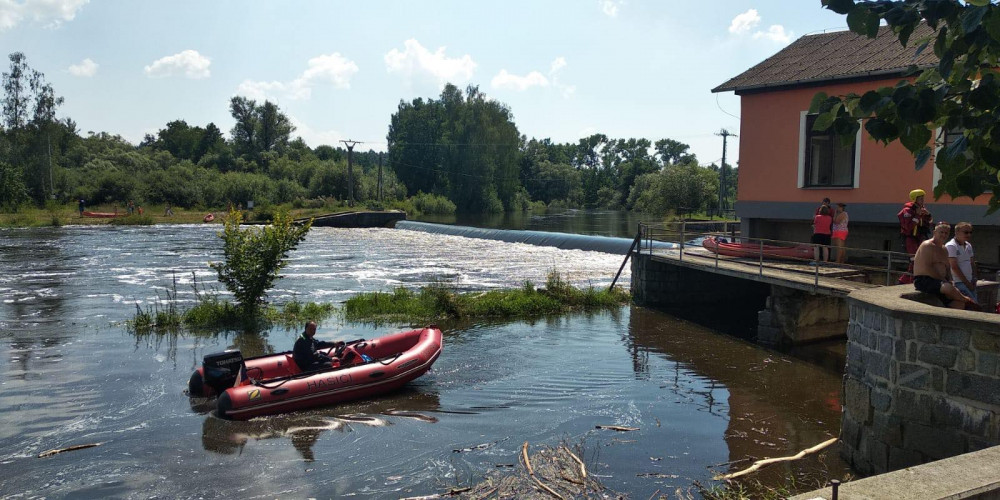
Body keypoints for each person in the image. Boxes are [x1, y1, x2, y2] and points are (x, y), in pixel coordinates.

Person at [912, 222, 978, 310]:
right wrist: (943, 280)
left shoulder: (944, 249)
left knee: (959, 304)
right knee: (948, 288)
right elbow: (927, 267)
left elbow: (948, 268)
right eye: (941, 232)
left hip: (941, 282)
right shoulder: (927, 245)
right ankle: (967, 300)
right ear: (934, 232)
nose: (944, 235)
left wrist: (950, 280)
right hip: (925, 280)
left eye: (946, 233)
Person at [897, 189, 933, 284]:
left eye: (923, 198)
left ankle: (905, 281)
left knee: (920, 260)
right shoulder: (907, 211)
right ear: (914, 199)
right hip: (910, 239)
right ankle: (908, 281)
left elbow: (929, 222)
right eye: (920, 199)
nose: (923, 200)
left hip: (920, 237)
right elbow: (908, 227)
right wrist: (917, 215)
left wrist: (928, 215)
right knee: (914, 260)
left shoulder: (922, 210)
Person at [946, 222, 978, 303]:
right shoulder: (951, 246)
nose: (969, 235)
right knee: (973, 304)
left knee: (974, 303)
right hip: (959, 282)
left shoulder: (968, 245)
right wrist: (967, 284)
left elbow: (972, 263)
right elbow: (954, 267)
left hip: (970, 281)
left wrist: (974, 278)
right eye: (966, 232)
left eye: (970, 232)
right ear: (957, 232)